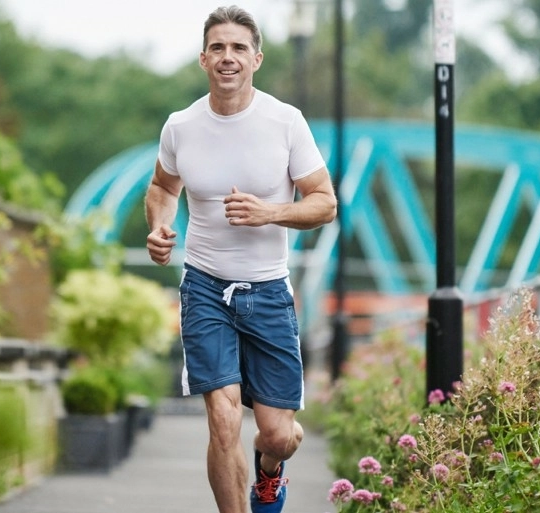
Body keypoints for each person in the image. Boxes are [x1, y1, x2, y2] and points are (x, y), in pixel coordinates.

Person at [144, 5, 337, 513]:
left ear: (256, 59)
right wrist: (159, 228)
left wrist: (270, 211)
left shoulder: (285, 121)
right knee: (223, 420)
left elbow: (325, 202)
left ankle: (269, 473)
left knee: (277, 435)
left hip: (269, 290)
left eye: (238, 48)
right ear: (203, 59)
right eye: (218, 48)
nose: (227, 57)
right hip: (205, 285)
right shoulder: (181, 126)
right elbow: (163, 186)